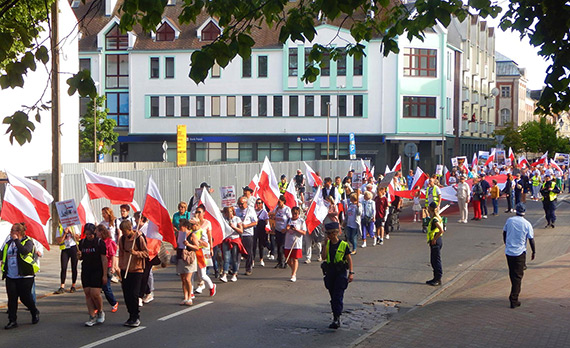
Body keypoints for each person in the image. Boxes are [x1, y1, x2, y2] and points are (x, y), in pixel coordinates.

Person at [2, 223, 40, 330]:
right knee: (12, 298)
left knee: (25, 297)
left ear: (18, 232)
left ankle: (34, 311)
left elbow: (24, 251)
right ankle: (12, 320)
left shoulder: (28, 242)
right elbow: (2, 253)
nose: (10, 233)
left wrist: (16, 241)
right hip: (11, 275)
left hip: (25, 275)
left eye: (12, 231)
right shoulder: (8, 243)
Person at [321, 222, 354, 329]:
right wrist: (325, 245)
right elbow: (324, 257)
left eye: (329, 234)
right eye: (327, 234)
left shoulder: (344, 245)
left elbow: (349, 259)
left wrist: (351, 273)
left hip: (340, 273)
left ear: (335, 233)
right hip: (331, 273)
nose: (328, 236)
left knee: (337, 296)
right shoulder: (328, 244)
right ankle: (335, 316)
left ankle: (337, 318)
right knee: (332, 296)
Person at [503, 203, 535, 308]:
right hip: (520, 252)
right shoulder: (527, 224)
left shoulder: (510, 220)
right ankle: (514, 299)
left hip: (509, 252)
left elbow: (504, 232)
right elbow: (531, 239)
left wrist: (506, 243)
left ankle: (513, 291)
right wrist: (534, 252)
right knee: (518, 277)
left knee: (512, 273)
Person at [118, 220, 148, 327]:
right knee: (127, 294)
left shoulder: (139, 238)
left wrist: (136, 253)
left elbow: (146, 253)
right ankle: (130, 315)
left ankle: (136, 316)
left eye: (125, 231)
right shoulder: (122, 240)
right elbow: (121, 253)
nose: (124, 234)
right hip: (126, 269)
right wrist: (120, 266)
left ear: (130, 229)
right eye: (122, 232)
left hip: (137, 269)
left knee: (134, 294)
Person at [79, 223, 108, 327]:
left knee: (95, 293)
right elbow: (81, 257)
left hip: (97, 270)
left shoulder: (99, 243)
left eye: (90, 234)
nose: (89, 236)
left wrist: (104, 275)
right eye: (87, 234)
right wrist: (79, 256)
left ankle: (100, 311)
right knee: (87, 293)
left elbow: (104, 259)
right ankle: (92, 316)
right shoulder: (82, 243)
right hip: (86, 270)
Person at [95, 224, 119, 313]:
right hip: (99, 266)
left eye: (97, 231)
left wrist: (113, 267)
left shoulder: (109, 242)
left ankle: (113, 302)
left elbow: (113, 255)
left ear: (101, 232)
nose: (95, 233)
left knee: (106, 287)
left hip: (107, 265)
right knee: (97, 288)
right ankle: (97, 306)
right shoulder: (98, 242)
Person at [193, 205, 216, 296]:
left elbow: (208, 238)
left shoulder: (206, 225)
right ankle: (193, 290)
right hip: (194, 250)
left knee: (202, 273)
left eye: (199, 212)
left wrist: (211, 248)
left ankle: (211, 286)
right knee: (194, 272)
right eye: (196, 212)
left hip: (202, 251)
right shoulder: (193, 226)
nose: (197, 214)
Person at [220, 206, 244, 282]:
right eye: (226, 212)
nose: (228, 213)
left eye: (230, 212)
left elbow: (241, 231)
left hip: (234, 240)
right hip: (226, 240)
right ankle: (225, 274)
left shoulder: (237, 219)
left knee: (234, 258)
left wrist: (234, 227)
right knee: (226, 258)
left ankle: (234, 273)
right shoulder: (224, 220)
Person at [54, 225, 80, 294]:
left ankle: (73, 285)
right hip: (65, 249)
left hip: (73, 247)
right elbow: (59, 241)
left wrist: (72, 233)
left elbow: (78, 238)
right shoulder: (60, 227)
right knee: (64, 267)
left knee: (74, 267)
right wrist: (65, 233)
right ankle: (62, 286)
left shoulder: (74, 226)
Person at [235, 196, 257, 275]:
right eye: (239, 204)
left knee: (248, 252)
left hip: (247, 234)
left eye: (241, 204)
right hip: (238, 234)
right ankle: (235, 269)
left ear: (245, 203)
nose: (240, 206)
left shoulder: (250, 210)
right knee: (237, 252)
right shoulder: (236, 211)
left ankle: (248, 268)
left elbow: (255, 222)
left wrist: (246, 226)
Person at [284, 206, 307, 282]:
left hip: (296, 242)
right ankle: (293, 269)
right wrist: (286, 229)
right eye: (293, 213)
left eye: (296, 213)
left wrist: (296, 229)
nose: (294, 215)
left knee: (295, 259)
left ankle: (293, 274)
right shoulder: (288, 220)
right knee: (287, 259)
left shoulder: (301, 221)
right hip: (288, 242)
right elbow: (283, 230)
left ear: (298, 213)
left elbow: (304, 232)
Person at [270, 196, 291, 269]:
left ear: (283, 201)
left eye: (279, 202)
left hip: (284, 230)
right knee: (278, 246)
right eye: (277, 202)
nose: (278, 203)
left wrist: (286, 228)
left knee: (282, 246)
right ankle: (279, 261)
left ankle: (284, 261)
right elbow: (273, 217)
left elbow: (289, 219)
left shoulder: (286, 209)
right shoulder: (277, 208)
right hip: (277, 229)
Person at [426, 202, 444, 286]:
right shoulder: (435, 217)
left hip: (436, 241)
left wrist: (434, 238)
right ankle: (435, 278)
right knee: (433, 260)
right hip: (436, 241)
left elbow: (441, 230)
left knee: (436, 261)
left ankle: (438, 279)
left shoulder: (435, 219)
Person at [253, 199, 269, 267]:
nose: (258, 204)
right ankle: (252, 260)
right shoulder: (253, 211)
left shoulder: (264, 212)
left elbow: (266, 221)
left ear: (262, 204)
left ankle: (261, 259)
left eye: (259, 203)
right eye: (257, 203)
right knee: (253, 245)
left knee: (261, 245)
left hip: (261, 229)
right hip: (254, 229)